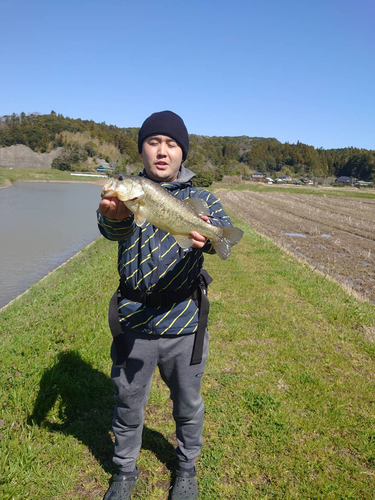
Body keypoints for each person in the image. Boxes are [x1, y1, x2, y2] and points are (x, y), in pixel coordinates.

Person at [97, 111, 234, 500]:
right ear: (142, 150)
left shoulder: (203, 198)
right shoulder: (125, 194)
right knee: (128, 402)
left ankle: (186, 468)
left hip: (185, 323)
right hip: (134, 323)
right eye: (153, 142)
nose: (162, 151)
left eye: (171, 144)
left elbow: (219, 237)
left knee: (188, 404)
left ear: (182, 153)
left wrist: (208, 237)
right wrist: (115, 217)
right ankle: (124, 472)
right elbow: (114, 227)